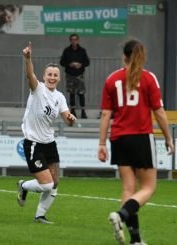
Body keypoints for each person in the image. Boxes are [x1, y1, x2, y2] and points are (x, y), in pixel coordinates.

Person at [98, 39, 174, 245]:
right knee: (148, 187)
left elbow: (106, 114)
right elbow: (158, 111)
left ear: (124, 55)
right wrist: (169, 138)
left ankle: (135, 240)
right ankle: (121, 216)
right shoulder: (149, 78)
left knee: (128, 189)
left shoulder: (112, 79)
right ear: (142, 56)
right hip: (141, 137)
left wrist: (102, 143)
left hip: (119, 138)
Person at [17, 42, 76, 224]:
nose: (52, 77)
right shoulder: (38, 89)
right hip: (33, 143)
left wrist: (71, 119)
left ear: (59, 78)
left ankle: (40, 215)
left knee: (55, 183)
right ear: (44, 76)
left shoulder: (59, 97)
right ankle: (23, 186)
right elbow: (29, 75)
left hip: (49, 142)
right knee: (47, 184)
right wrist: (28, 59)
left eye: (55, 75)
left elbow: (66, 118)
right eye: (49, 74)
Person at [60, 33, 90, 119]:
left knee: (81, 93)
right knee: (71, 93)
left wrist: (81, 64)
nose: (74, 41)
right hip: (70, 74)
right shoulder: (66, 51)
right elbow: (62, 62)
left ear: (78, 40)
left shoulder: (82, 50)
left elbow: (87, 62)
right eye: (72, 40)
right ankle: (72, 110)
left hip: (79, 75)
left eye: (75, 40)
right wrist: (70, 64)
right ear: (70, 41)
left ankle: (83, 111)